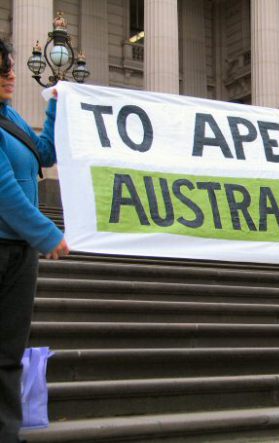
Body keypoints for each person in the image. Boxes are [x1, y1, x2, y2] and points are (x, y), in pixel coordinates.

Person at [0, 39, 69, 443]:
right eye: (3, 69)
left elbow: (44, 154)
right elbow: (4, 189)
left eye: (10, 66)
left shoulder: (10, 117)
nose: (11, 74)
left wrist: (57, 104)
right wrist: (47, 233)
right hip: (8, 244)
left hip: (19, 253)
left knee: (9, 354)